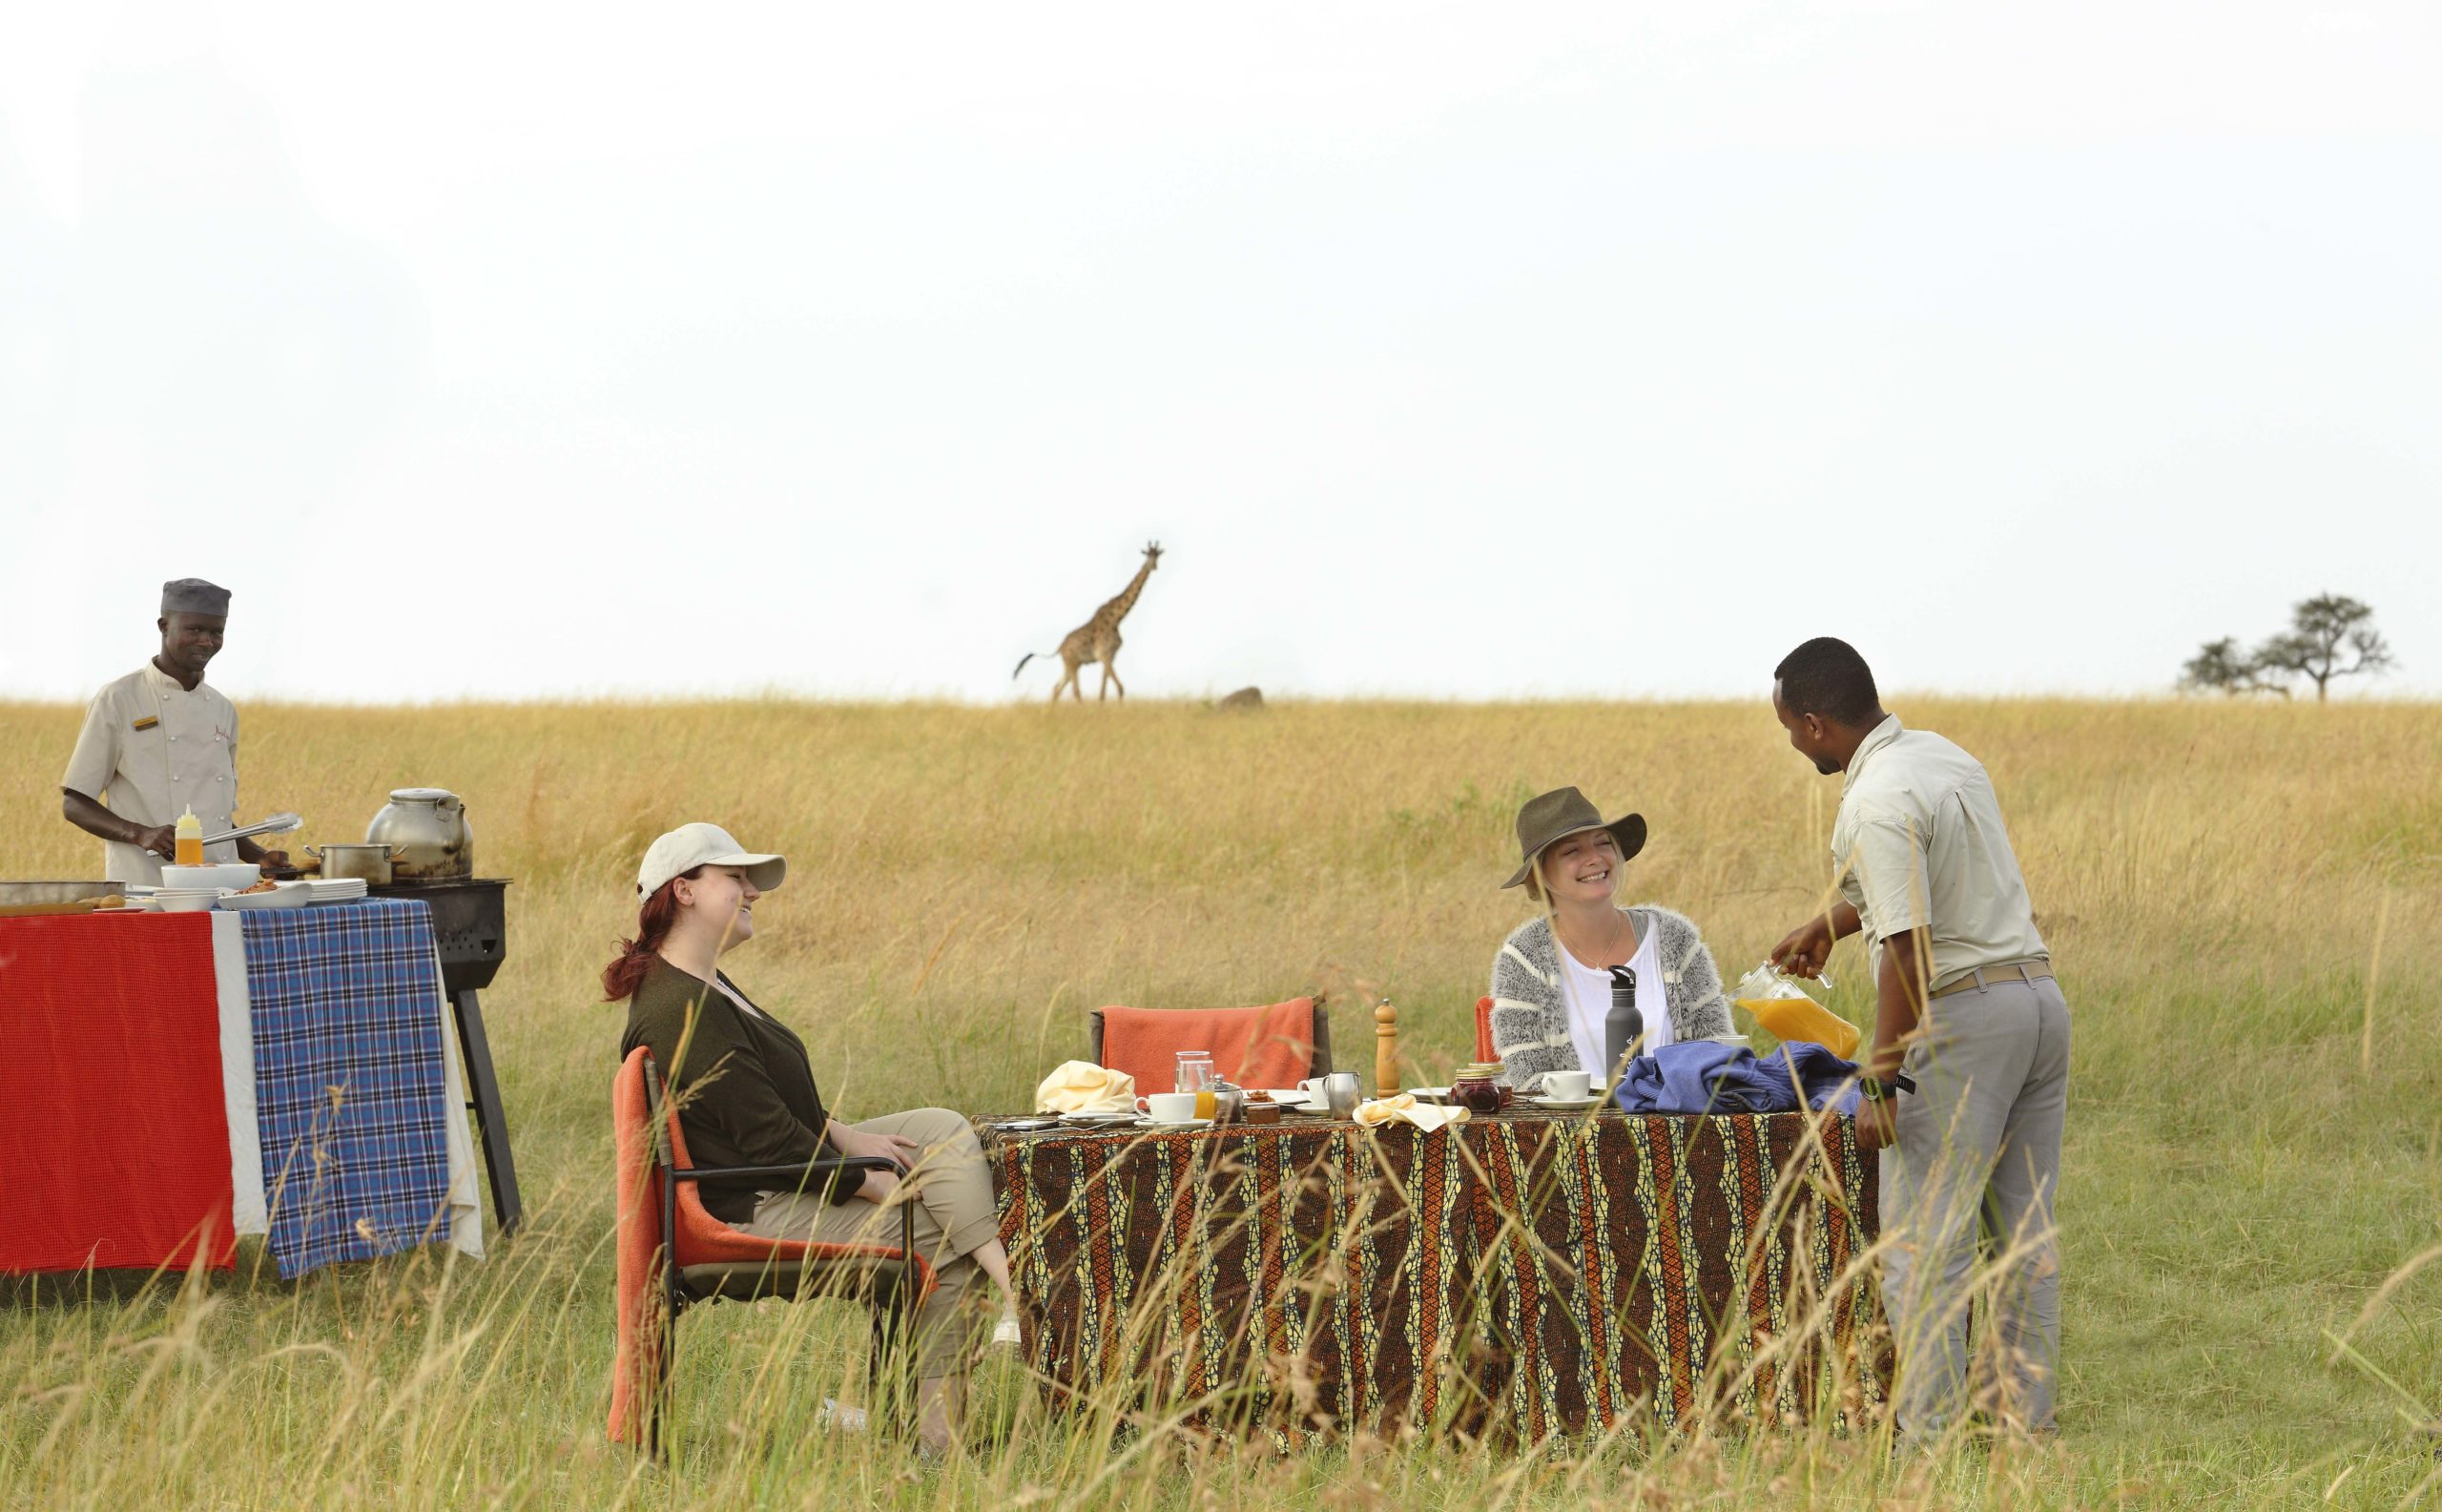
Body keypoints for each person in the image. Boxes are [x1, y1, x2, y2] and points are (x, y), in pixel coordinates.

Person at [607, 822, 1019, 1458]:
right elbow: (770, 1142)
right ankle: (939, 1438)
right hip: (748, 1204)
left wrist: (847, 1134)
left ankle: (1011, 1286)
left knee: (937, 1126)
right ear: (683, 890)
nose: (753, 891)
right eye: (735, 877)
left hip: (778, 1171)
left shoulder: (706, 984)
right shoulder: (677, 1004)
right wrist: (865, 1177)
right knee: (932, 1234)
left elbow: (764, 1104)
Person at [1766, 636, 2068, 1443]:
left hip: (1963, 1022)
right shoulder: (1943, 758)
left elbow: (1909, 947)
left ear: (1818, 722)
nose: (1794, 744)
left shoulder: (1872, 799)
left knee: (1924, 1243)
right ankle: (2020, 1425)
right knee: (2022, 1230)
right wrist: (1831, 922)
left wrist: (1882, 1079)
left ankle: (1927, 1439)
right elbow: (1927, 886)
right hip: (2037, 1003)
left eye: (1792, 729)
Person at [1487, 786, 1736, 1089]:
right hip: (1574, 1133)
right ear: (1541, 874)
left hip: (1679, 1127)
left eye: (1602, 843)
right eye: (1572, 851)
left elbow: (1719, 1053)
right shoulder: (1523, 958)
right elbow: (1525, 1078)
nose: (1595, 858)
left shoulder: (1675, 939)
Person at [59, 578, 290, 885]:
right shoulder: (119, 699)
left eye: (216, 632)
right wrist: (141, 834)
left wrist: (257, 855)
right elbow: (74, 802)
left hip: (224, 887)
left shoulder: (223, 709)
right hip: (150, 887)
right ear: (164, 626)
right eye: (195, 630)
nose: (207, 641)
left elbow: (213, 815)